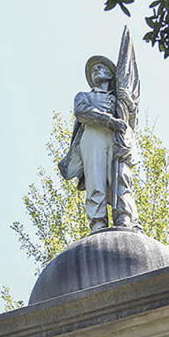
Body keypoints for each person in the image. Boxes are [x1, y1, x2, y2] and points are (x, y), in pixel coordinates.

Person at [58, 54, 139, 233]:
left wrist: (128, 103)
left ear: (111, 76)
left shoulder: (119, 100)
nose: (96, 70)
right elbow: (82, 112)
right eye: (93, 69)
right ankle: (97, 222)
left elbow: (131, 120)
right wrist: (109, 121)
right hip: (93, 136)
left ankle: (124, 216)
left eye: (101, 68)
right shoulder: (83, 96)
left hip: (117, 138)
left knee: (121, 177)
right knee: (95, 179)